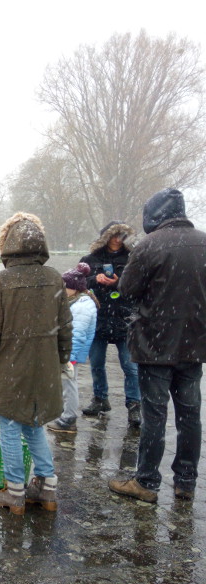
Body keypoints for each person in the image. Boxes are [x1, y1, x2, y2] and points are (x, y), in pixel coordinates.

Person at [0, 212, 72, 515]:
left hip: (10, 369)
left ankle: (15, 491)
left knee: (9, 425)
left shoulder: (0, 281)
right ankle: (47, 488)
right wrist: (63, 360)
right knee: (34, 424)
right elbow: (65, 326)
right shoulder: (54, 277)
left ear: (7, 245)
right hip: (44, 369)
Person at [108, 188, 206, 503]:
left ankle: (147, 481)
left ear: (155, 215)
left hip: (156, 344)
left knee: (154, 414)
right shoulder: (203, 242)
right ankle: (186, 481)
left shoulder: (149, 246)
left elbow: (127, 289)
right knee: (190, 414)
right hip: (194, 344)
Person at [79, 221, 142, 427]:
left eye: (121, 235)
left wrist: (118, 283)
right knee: (97, 364)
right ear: (105, 237)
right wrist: (95, 280)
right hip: (98, 319)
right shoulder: (90, 259)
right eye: (113, 235)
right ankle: (100, 399)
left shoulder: (133, 259)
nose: (117, 239)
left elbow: (140, 286)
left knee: (130, 367)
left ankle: (134, 405)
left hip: (125, 320)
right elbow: (77, 283)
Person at [47, 263, 99, 434]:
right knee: (67, 384)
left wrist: (68, 359)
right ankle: (65, 416)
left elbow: (76, 335)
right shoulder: (77, 302)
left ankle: (68, 419)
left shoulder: (82, 306)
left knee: (69, 385)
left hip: (71, 354)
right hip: (69, 352)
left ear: (74, 288)